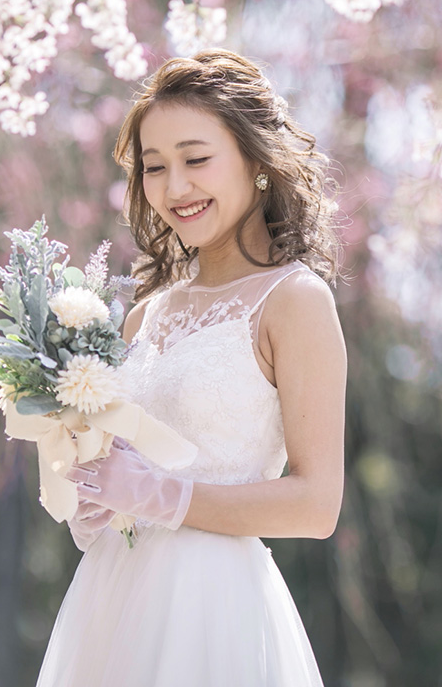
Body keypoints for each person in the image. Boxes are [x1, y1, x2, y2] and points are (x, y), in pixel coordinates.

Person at [35, 49, 346, 686]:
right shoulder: (143, 315)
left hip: (213, 607)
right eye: (155, 167)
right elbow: (115, 465)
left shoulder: (294, 301)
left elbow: (317, 505)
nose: (175, 188)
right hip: (112, 601)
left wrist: (164, 497)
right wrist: (92, 500)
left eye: (196, 159)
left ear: (257, 162)